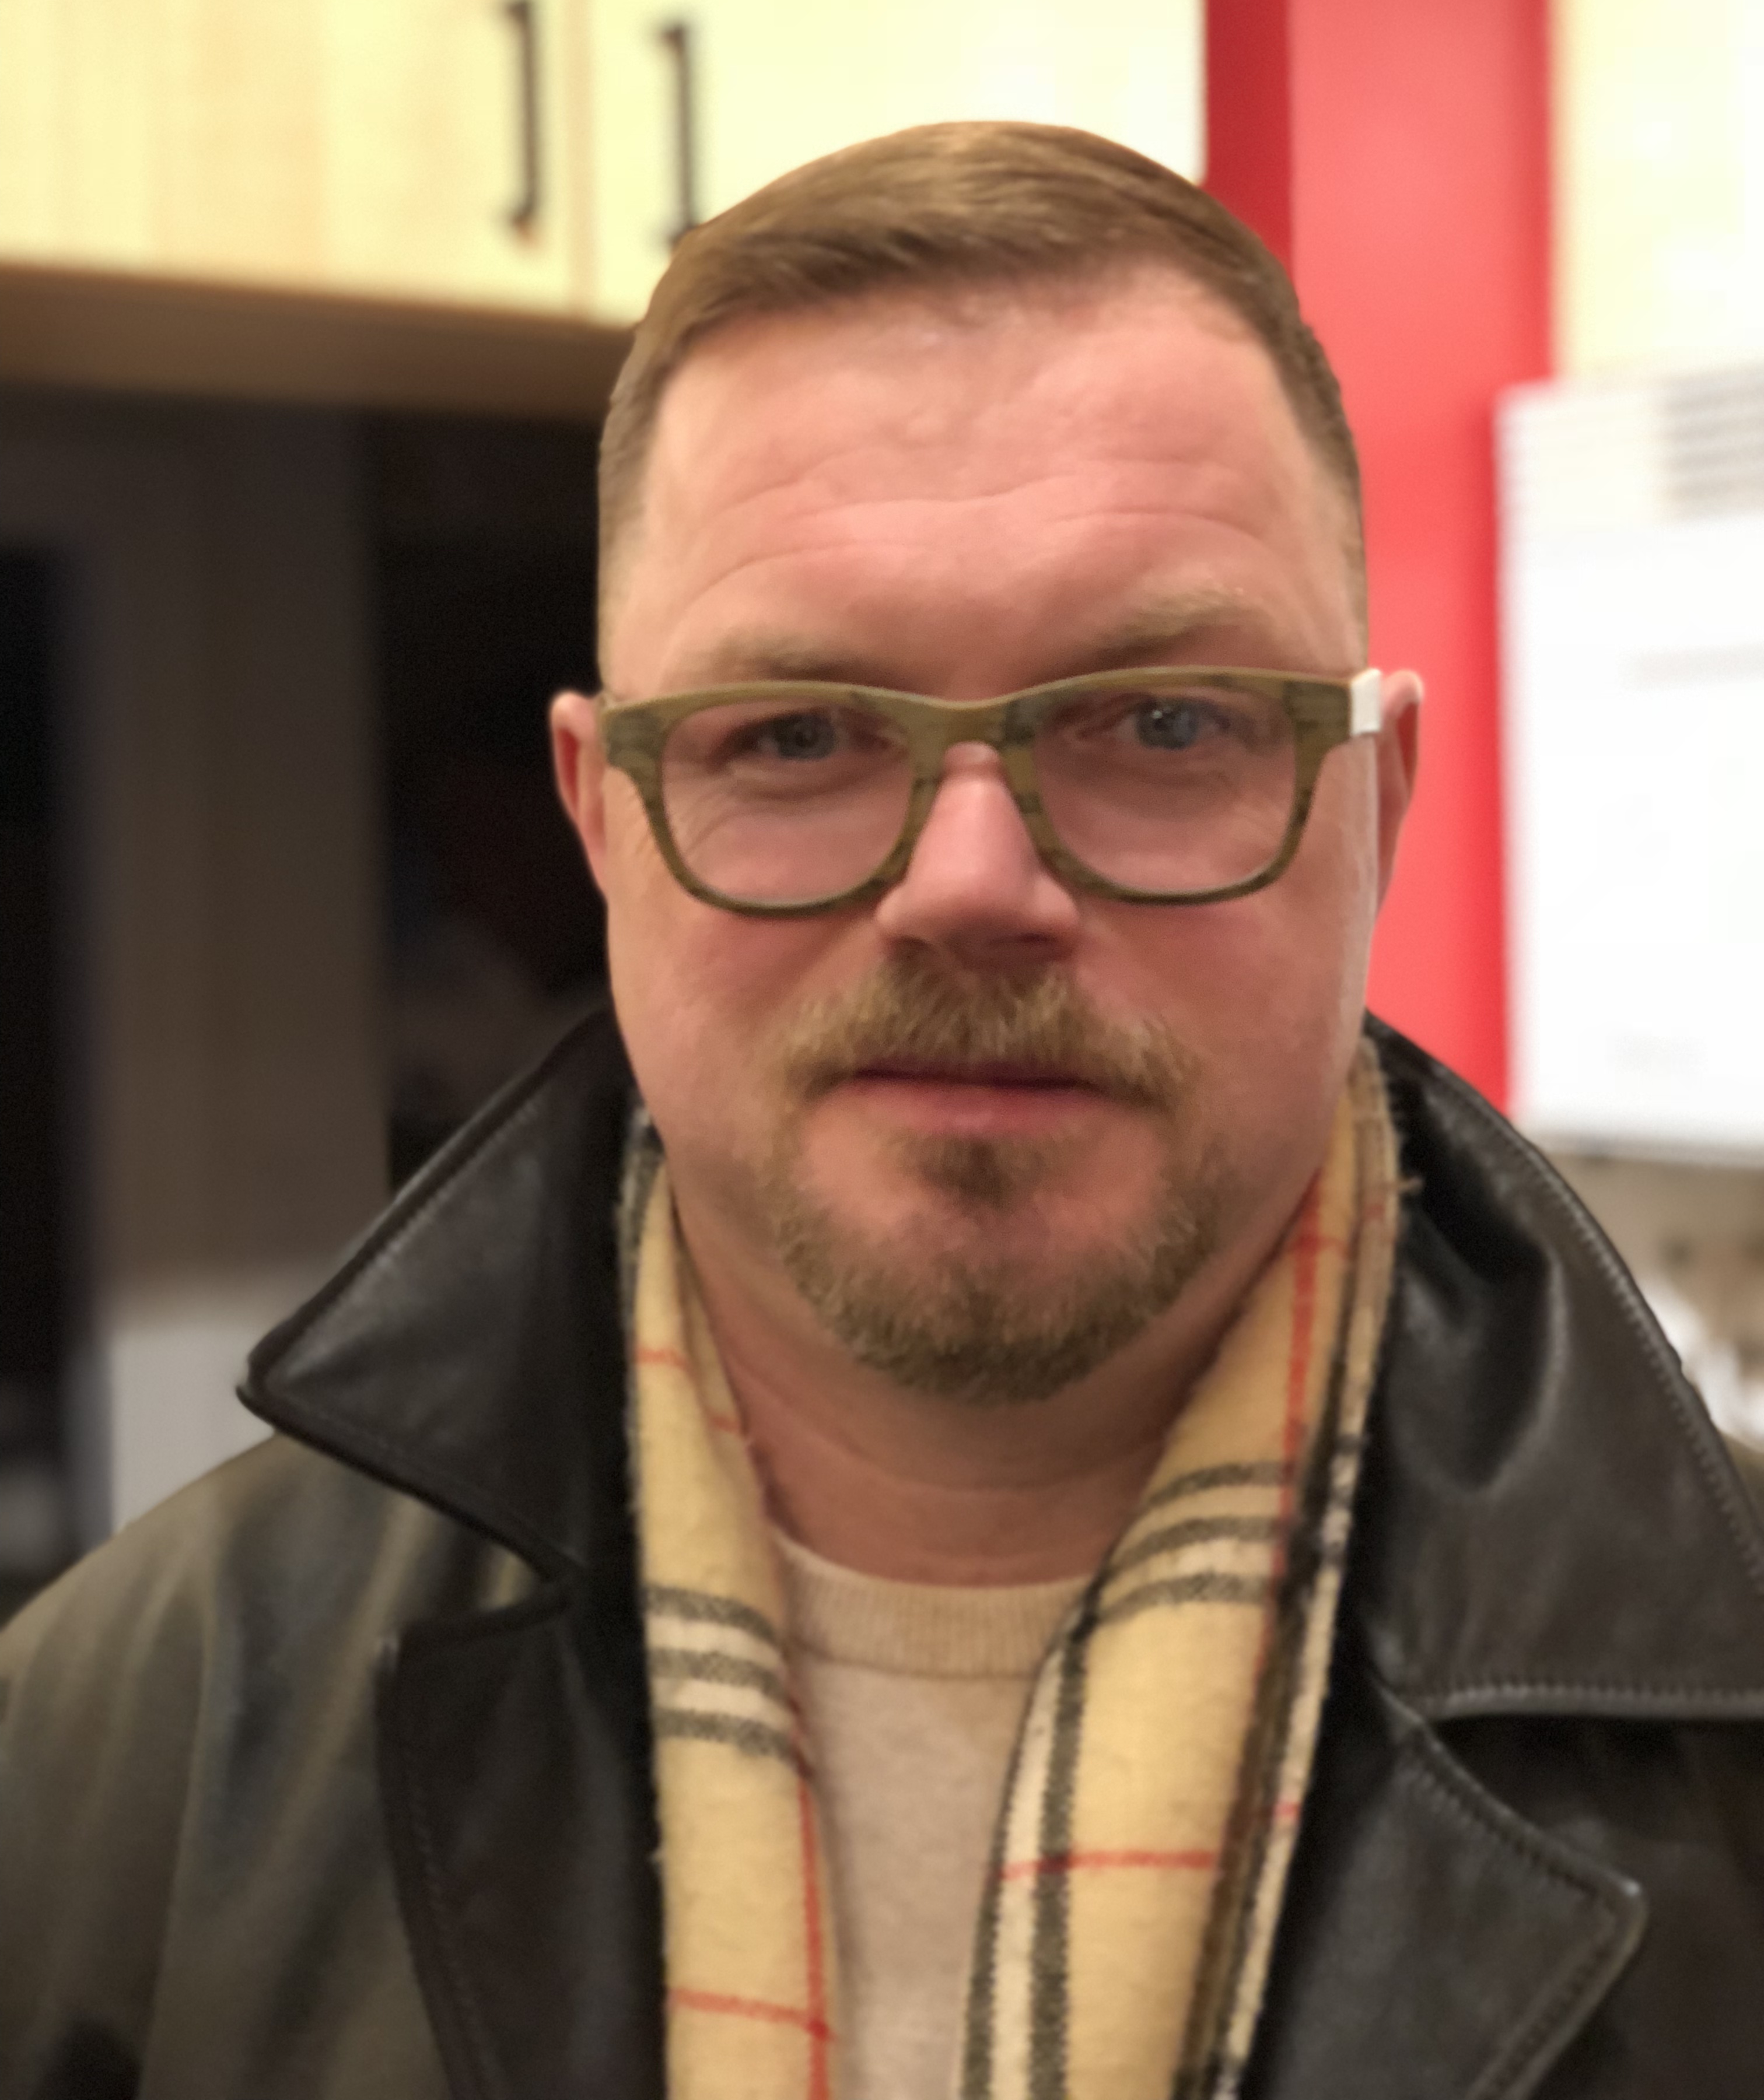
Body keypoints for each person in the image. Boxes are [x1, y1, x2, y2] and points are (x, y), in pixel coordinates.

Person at [4, 124, 1763, 2100]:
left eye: (1162, 719)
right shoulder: (121, 1750)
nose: (970, 886)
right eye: (799, 736)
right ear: (605, 822)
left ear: (1375, 797)